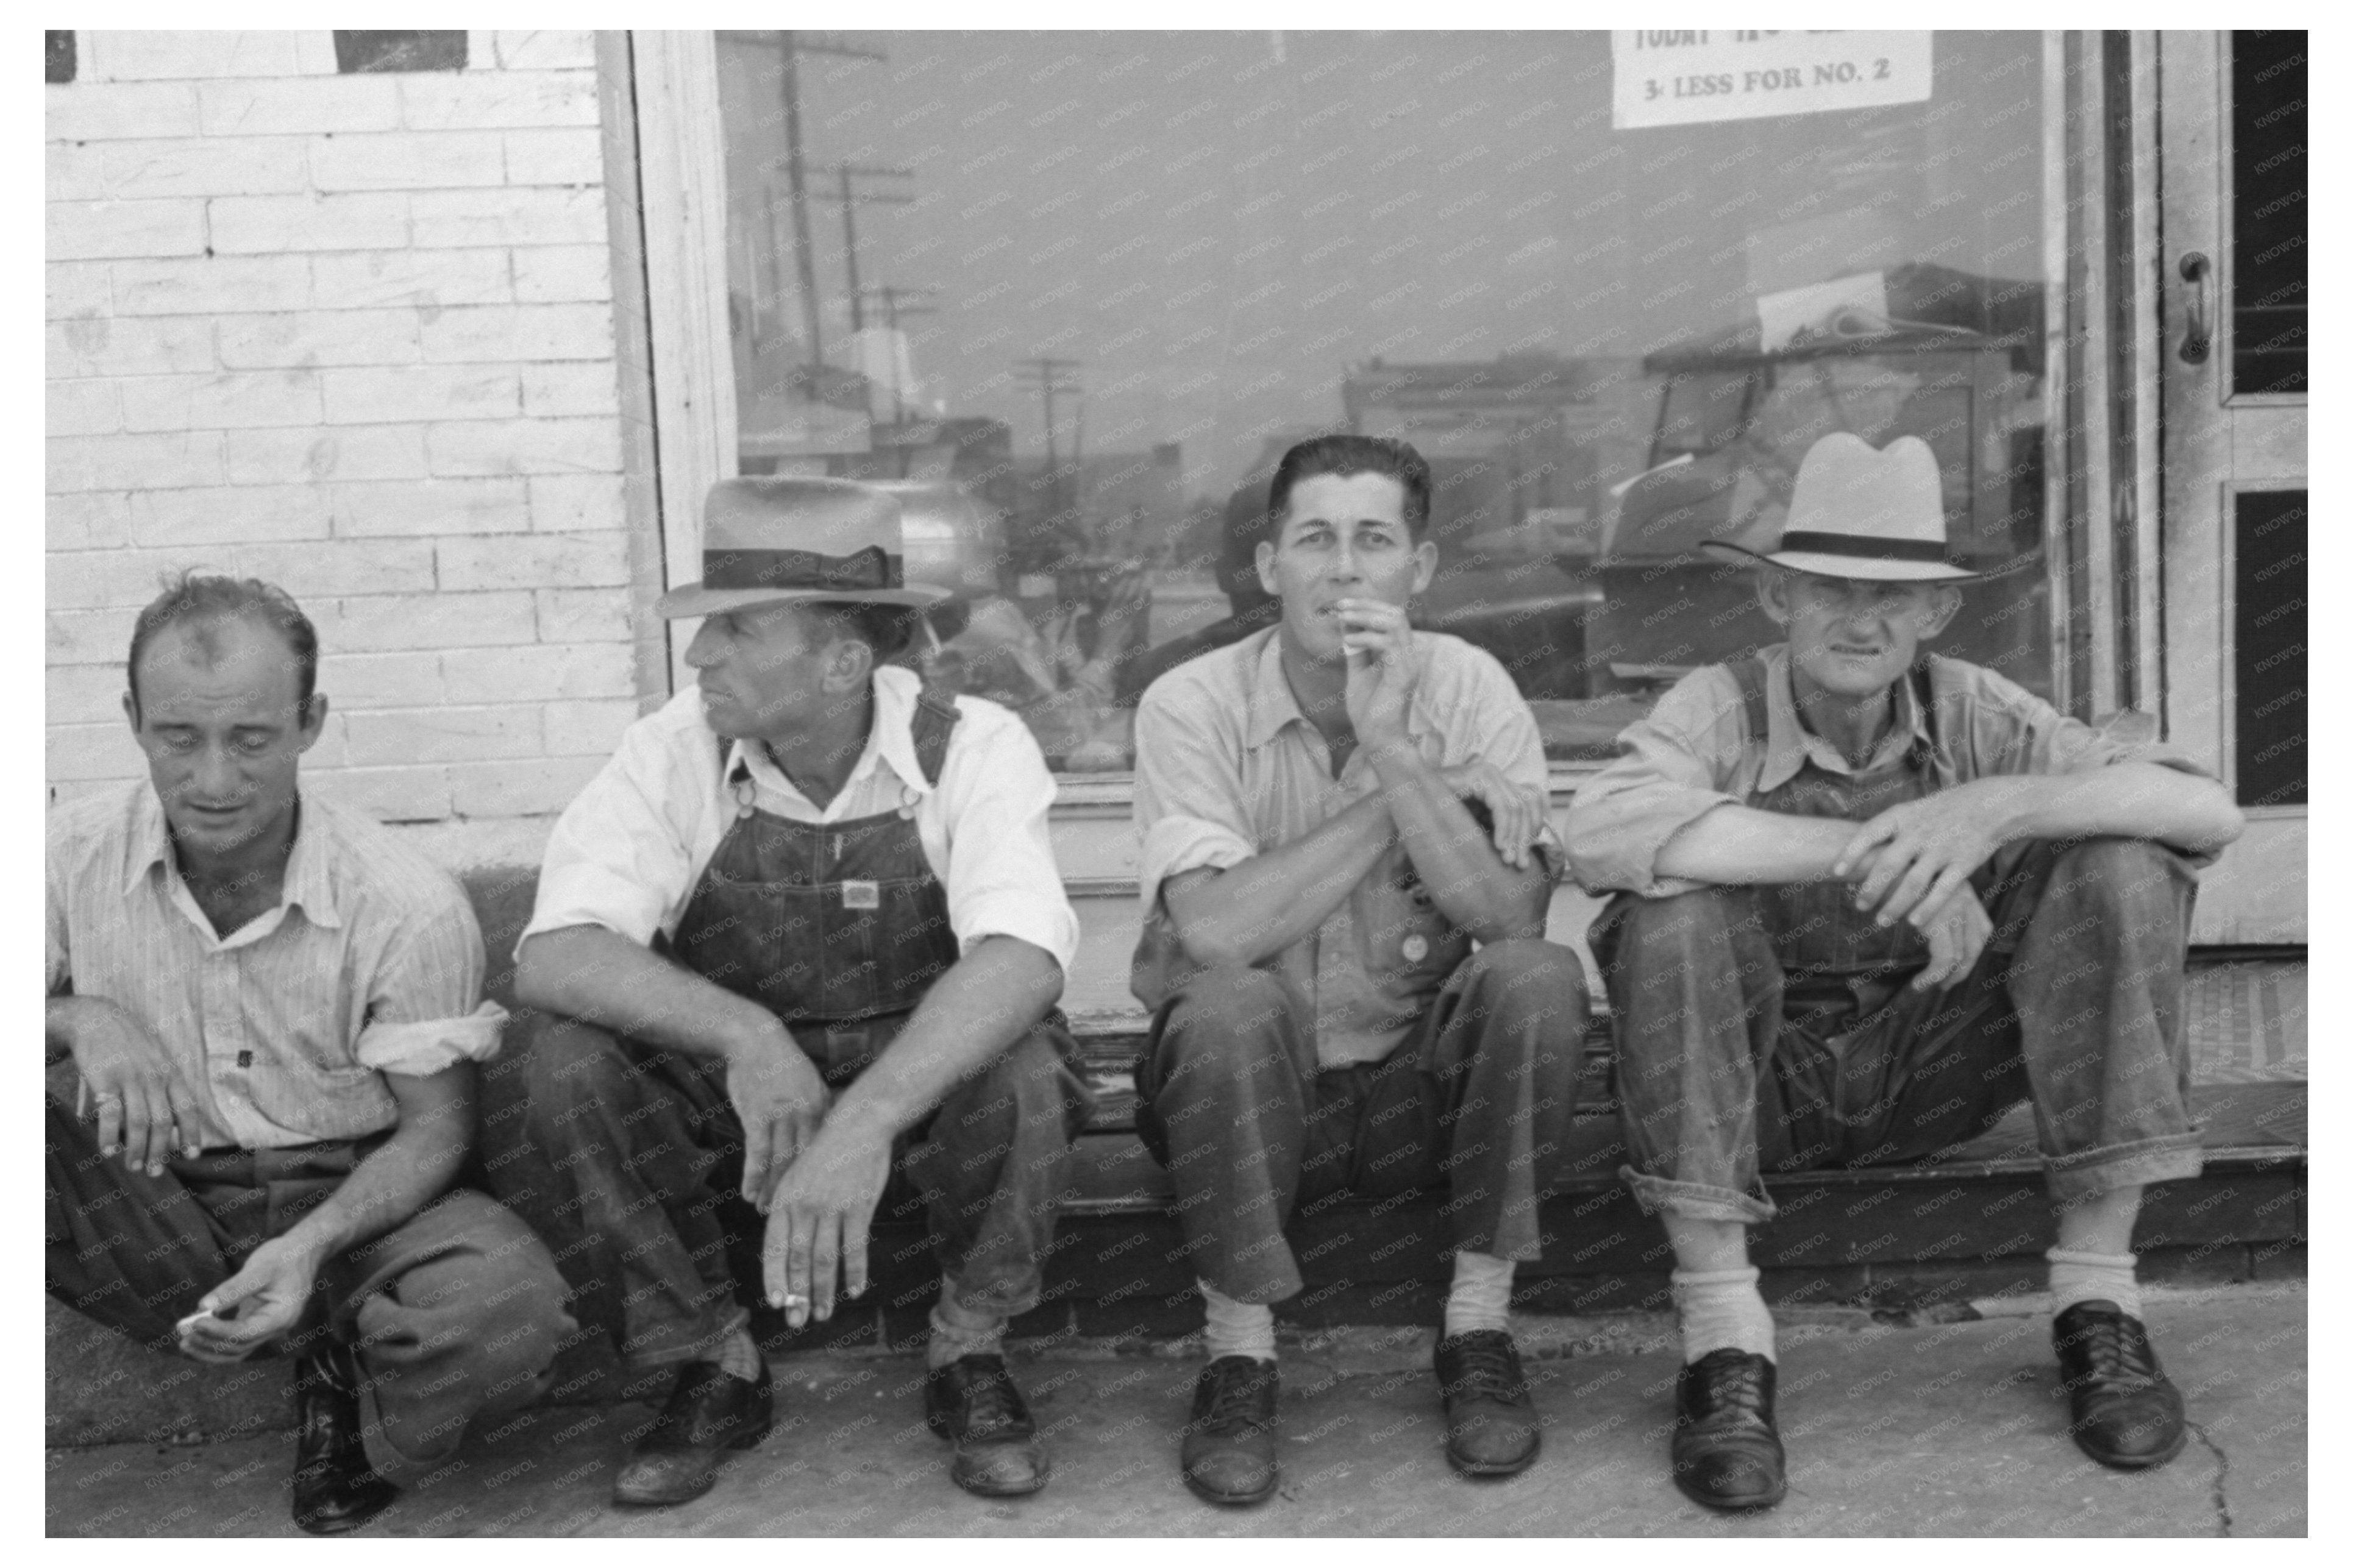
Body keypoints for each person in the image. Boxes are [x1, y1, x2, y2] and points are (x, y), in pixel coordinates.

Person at [1565, 432, 2246, 1511]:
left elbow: (2208, 812)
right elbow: (1598, 829)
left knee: (2121, 863)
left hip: (1937, 1064)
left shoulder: (1976, 707)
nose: (1863, 619)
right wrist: (1884, 850)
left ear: (1936, 613)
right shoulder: (1718, 705)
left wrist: (1989, 810)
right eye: (1831, 588)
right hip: (1760, 1087)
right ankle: (1726, 1343)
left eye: (1894, 594)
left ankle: (2099, 1307)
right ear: (1778, 597)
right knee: (1668, 912)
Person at [516, 477, 1091, 1508]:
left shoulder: (972, 747)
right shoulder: (673, 748)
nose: (700, 657)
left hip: (913, 1090)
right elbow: (556, 951)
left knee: (1026, 1064)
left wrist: (863, 1120)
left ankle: (969, 1348)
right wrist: (747, 1036)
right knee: (564, 1061)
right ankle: (710, 1358)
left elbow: (1023, 955)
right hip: (742, 1105)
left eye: (735, 630)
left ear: (843, 661)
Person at [44, 573, 574, 1536]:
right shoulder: (64, 855)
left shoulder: (401, 900)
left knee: (512, 1315)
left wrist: (311, 1243)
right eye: (178, 737)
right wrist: (78, 1018)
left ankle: (352, 1390)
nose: (213, 781)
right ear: (131, 719)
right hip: (153, 1199)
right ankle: (305, 1327)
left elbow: (437, 1133)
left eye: (251, 738)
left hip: (360, 1201)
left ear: (311, 721)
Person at [1129, 433, 1589, 1505]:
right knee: (1231, 1001)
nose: (1343, 568)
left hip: (1407, 1101)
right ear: (1268, 566)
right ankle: (1239, 1352)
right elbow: (1215, 934)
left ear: (1418, 571)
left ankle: (1476, 1329)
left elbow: (1508, 916)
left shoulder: (1472, 686)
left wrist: (1391, 741)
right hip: (1244, 1102)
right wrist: (1408, 789)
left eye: (1374, 540)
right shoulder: (1188, 702)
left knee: (1538, 978)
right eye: (1315, 540)